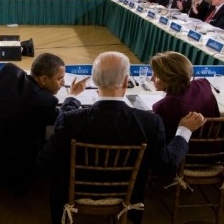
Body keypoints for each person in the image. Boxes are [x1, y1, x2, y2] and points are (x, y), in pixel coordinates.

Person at [37, 51, 205, 224]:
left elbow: (44, 162)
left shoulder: (69, 120)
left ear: (95, 82)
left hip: (74, 191)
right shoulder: (150, 122)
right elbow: (167, 166)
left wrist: (71, 98)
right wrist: (184, 131)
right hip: (127, 194)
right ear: (126, 81)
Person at [0, 53, 89, 194]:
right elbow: (64, 117)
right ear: (43, 80)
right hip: (14, 174)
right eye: (59, 78)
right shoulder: (44, 102)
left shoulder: (6, 71)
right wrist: (72, 96)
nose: (63, 82)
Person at [150, 51, 220, 143]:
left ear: (170, 79)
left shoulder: (163, 106)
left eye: (157, 76)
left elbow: (161, 142)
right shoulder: (204, 83)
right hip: (215, 146)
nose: (151, 79)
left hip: (185, 153)